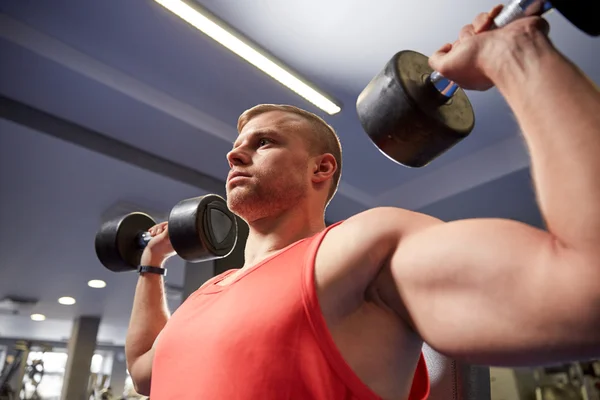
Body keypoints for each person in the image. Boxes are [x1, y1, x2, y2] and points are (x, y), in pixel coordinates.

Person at [124, 5, 600, 400]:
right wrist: (152, 265)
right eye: (237, 145)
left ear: (321, 169)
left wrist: (517, 54)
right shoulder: (210, 291)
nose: (234, 152)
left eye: (264, 142)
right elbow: (146, 369)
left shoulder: (360, 249)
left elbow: (587, 291)